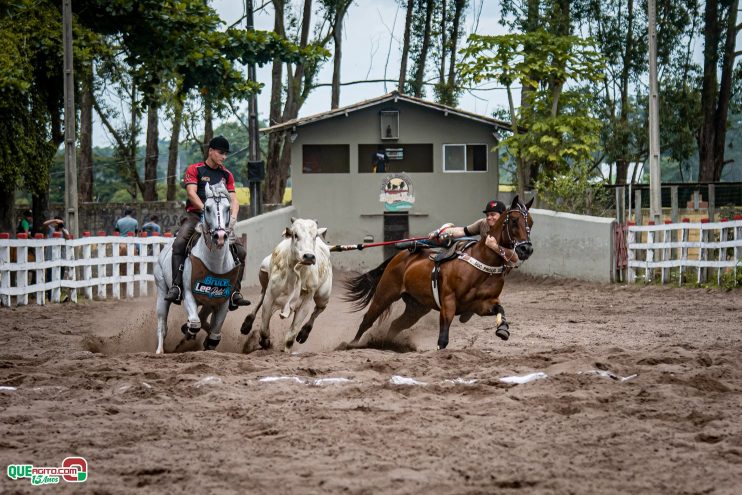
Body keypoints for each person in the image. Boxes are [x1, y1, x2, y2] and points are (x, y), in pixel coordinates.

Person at [164, 135, 250, 309]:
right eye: (220, 153)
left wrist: (232, 218)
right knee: (179, 243)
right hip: (196, 216)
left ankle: (235, 292)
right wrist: (206, 210)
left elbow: (234, 200)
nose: (224, 157)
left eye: (226, 154)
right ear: (210, 151)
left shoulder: (226, 175)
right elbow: (191, 193)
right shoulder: (195, 169)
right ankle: (176, 286)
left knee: (240, 251)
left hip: (220, 221)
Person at [428, 200, 515, 258]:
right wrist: (440, 232)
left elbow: (514, 257)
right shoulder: (483, 223)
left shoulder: (508, 230)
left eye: (492, 214)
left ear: (503, 215)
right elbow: (462, 231)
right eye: (487, 215)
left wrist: (495, 247)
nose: (489, 217)